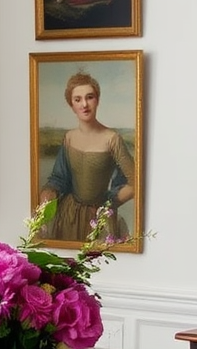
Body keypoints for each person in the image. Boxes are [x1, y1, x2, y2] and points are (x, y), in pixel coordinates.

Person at [39, 71, 134, 243]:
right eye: (78, 99)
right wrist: (48, 193)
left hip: (98, 218)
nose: (84, 104)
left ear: (97, 100)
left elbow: (136, 182)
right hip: (68, 216)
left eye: (89, 97)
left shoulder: (112, 139)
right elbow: (58, 178)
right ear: (71, 104)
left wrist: (108, 204)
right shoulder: (69, 137)